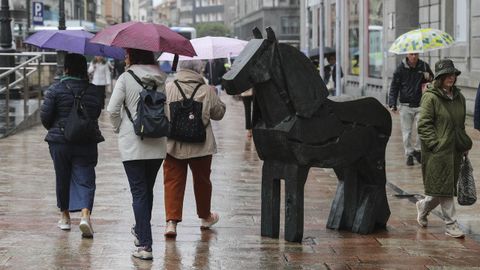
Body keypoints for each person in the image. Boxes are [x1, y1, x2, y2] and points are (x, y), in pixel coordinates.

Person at [107, 48, 167, 260]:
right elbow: (166, 111)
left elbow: (112, 110)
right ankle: (141, 231)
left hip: (132, 144)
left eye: (126, 55)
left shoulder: (126, 77)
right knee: (146, 191)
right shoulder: (162, 77)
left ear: (134, 56)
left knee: (139, 192)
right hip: (157, 143)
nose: (124, 58)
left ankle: (145, 245)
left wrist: (118, 128)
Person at [40, 53, 104, 238]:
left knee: (62, 177)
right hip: (86, 141)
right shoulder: (93, 91)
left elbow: (45, 117)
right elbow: (95, 113)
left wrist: (58, 128)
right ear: (84, 69)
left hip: (59, 142)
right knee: (86, 178)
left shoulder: (55, 90)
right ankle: (85, 215)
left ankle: (65, 217)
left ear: (66, 69)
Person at [163, 60, 226, 237]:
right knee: (202, 182)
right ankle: (206, 217)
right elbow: (218, 114)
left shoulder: (169, 87)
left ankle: (171, 222)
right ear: (199, 69)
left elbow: (161, 112)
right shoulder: (206, 90)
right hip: (202, 145)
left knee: (172, 181)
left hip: (173, 144)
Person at [416, 59, 472, 238]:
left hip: (454, 150)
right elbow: (423, 124)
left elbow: (460, 125)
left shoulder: (459, 97)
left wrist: (463, 145)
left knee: (443, 188)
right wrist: (435, 144)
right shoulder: (430, 97)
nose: (451, 77)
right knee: (445, 189)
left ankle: (423, 206)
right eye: (447, 75)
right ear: (439, 77)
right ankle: (451, 224)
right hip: (437, 151)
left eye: (453, 74)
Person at [388, 53, 434, 166]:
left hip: (421, 104)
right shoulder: (400, 69)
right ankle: (409, 153)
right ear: (407, 55)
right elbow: (394, 86)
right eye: (412, 54)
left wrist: (428, 77)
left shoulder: (423, 66)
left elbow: (432, 80)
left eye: (416, 54)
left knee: (421, 130)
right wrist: (392, 103)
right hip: (405, 105)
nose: (414, 56)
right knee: (407, 133)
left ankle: (418, 151)